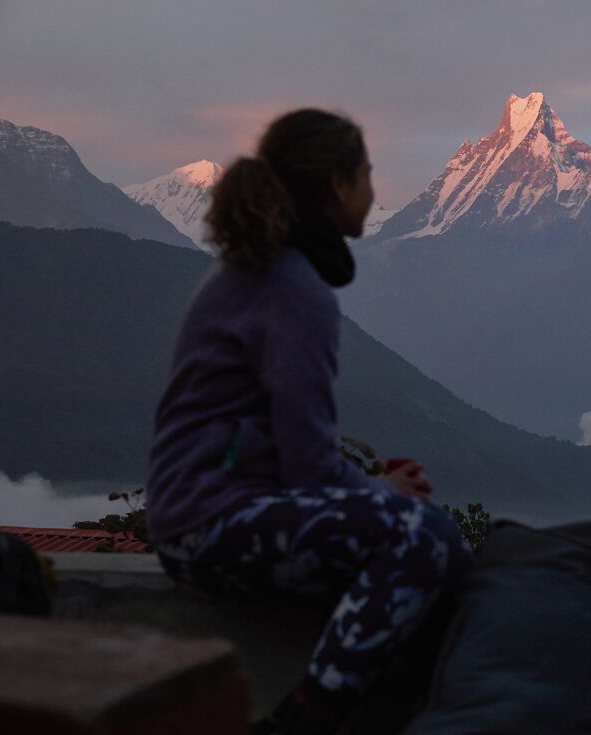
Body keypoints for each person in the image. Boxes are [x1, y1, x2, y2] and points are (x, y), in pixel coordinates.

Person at [145, 109, 473, 735]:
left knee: (415, 533)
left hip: (195, 516)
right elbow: (308, 465)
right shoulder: (296, 290)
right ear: (338, 186)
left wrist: (371, 488)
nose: (376, 193)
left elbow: (286, 450)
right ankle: (300, 724)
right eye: (368, 175)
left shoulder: (255, 273)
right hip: (211, 527)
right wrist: (382, 492)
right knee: (424, 537)